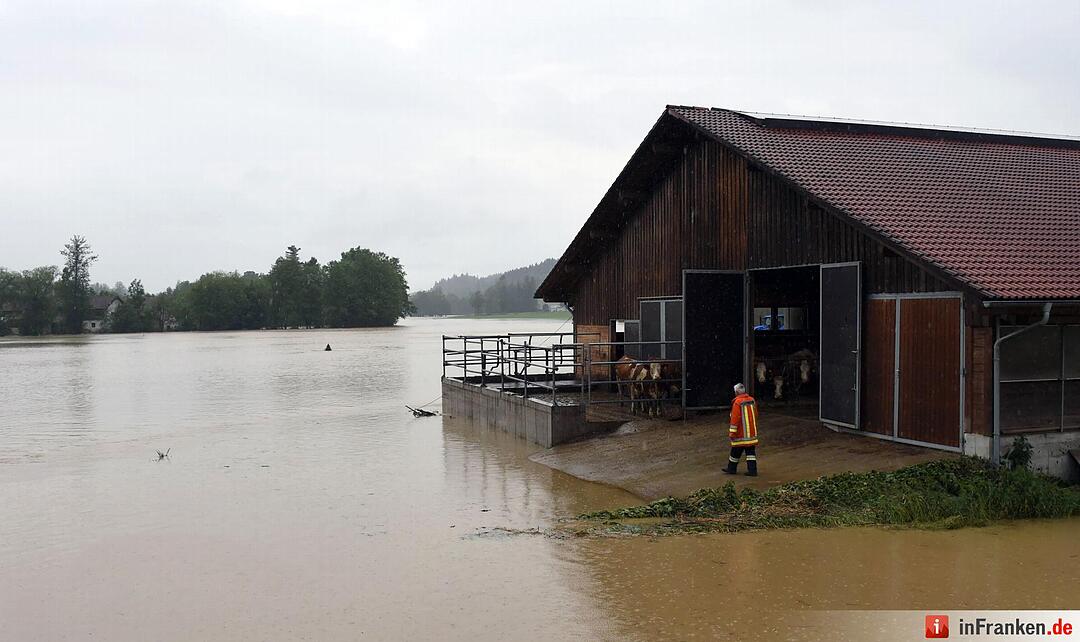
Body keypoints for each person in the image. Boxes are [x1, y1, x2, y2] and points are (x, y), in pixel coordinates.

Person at [722, 383, 759, 476]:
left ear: (737, 392)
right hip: (751, 433)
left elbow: (735, 418)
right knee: (750, 453)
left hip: (741, 433)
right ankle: (752, 470)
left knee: (735, 450)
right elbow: (755, 414)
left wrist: (732, 432)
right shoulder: (751, 400)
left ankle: (731, 469)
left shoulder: (737, 402)